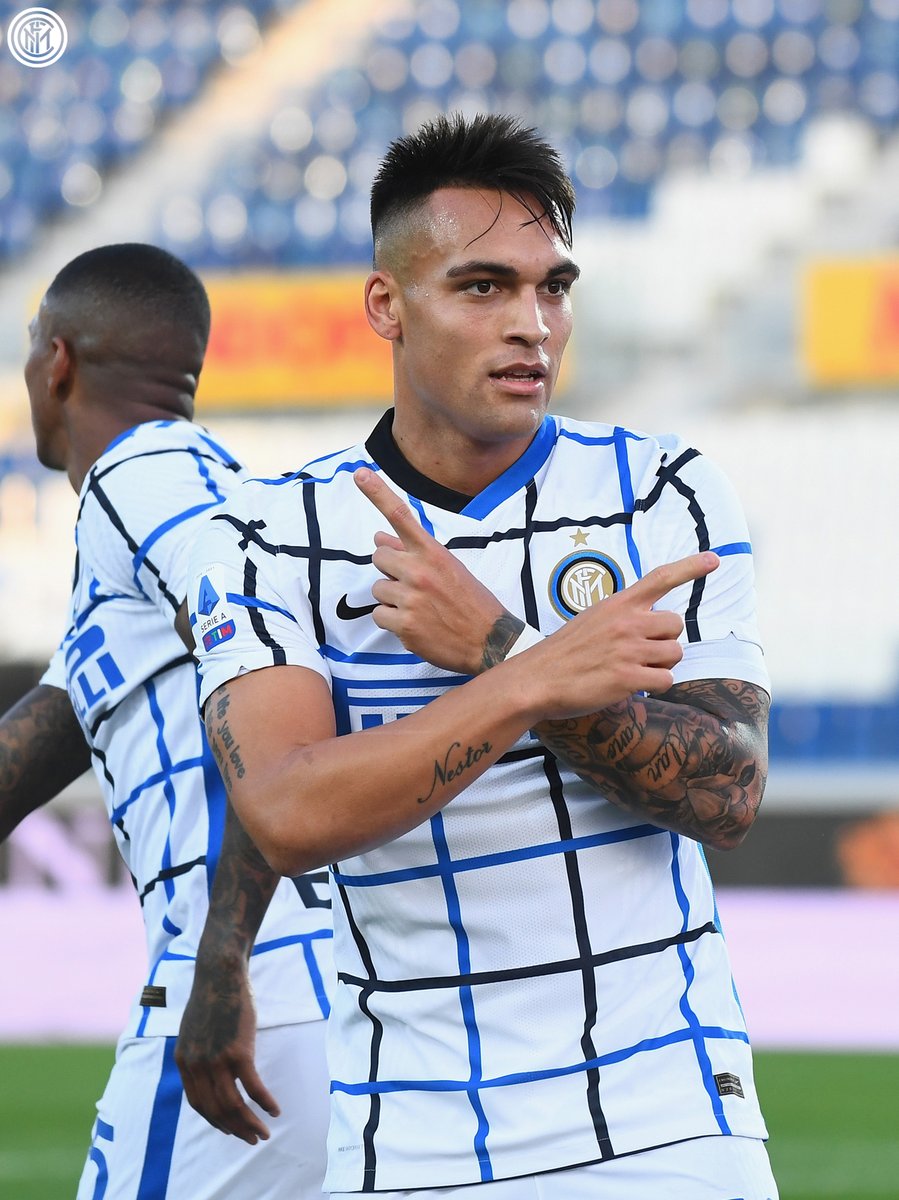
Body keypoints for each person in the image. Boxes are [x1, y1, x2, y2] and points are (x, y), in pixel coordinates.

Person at [188, 114, 777, 1199]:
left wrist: (498, 645)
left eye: (553, 287)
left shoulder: (660, 492)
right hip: (410, 1141)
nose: (531, 325)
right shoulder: (267, 537)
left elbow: (729, 791)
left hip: (668, 1120)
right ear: (386, 305)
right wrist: (534, 674)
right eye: (482, 287)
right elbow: (286, 814)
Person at [4, 242, 333, 1199]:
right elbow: (30, 751)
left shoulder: (141, 477)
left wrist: (222, 964)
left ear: (57, 361)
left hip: (245, 989)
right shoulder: (155, 537)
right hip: (318, 1001)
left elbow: (263, 649)